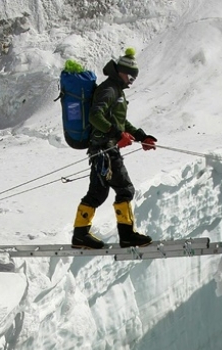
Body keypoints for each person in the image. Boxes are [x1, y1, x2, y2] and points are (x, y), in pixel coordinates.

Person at [71, 48, 158, 249]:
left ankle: (80, 236)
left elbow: (120, 122)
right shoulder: (109, 90)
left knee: (97, 194)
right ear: (120, 72)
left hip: (102, 149)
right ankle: (127, 236)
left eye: (133, 77)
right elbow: (95, 116)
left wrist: (141, 136)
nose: (131, 80)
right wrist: (117, 135)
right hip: (105, 149)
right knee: (125, 189)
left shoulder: (115, 91)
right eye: (130, 76)